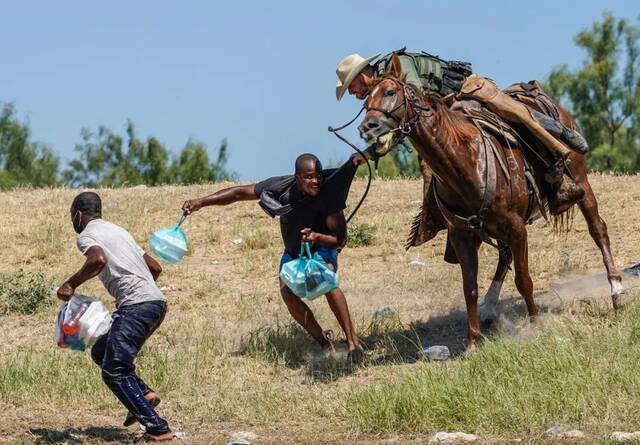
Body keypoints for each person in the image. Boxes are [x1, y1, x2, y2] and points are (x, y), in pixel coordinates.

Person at [335, 49, 589, 217]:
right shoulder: (380, 94)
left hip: (466, 92)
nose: (353, 93)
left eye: (352, 86)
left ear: (363, 75)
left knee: (515, 117)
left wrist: (378, 145)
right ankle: (445, 217)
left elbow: (416, 102)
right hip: (445, 114)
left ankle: (558, 161)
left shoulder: (396, 66)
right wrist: (371, 150)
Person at [182, 154, 363, 359]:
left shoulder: (329, 195)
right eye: (309, 177)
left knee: (325, 280)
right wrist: (201, 202)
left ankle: (352, 343)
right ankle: (325, 344)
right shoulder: (280, 187)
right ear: (297, 177)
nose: (316, 181)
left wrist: (316, 236)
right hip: (294, 253)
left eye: (318, 176)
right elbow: (239, 193)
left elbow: (339, 240)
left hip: (322, 247)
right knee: (288, 294)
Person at [57, 192, 173, 442]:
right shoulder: (119, 231)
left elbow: (97, 259)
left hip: (137, 306)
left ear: (78, 213)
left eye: (71, 216)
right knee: (101, 351)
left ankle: (158, 429)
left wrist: (70, 284)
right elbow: (155, 267)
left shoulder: (88, 234)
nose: (72, 222)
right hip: (156, 303)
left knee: (114, 371)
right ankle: (145, 395)